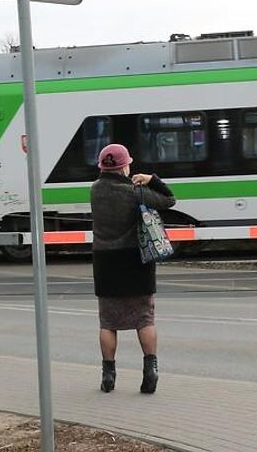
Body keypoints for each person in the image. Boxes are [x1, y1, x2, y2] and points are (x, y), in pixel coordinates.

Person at [90, 142, 176, 394]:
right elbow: (169, 200)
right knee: (144, 319)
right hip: (136, 261)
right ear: (125, 165)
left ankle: (108, 374)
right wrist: (151, 179)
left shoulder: (94, 190)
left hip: (106, 262)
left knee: (108, 322)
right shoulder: (134, 192)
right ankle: (150, 370)